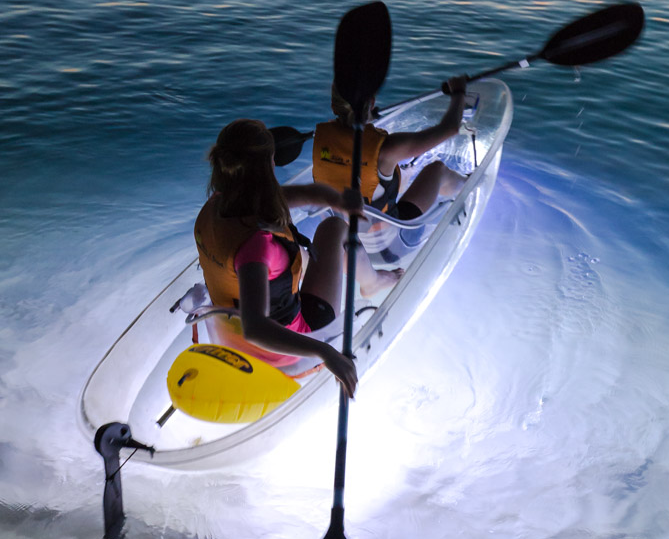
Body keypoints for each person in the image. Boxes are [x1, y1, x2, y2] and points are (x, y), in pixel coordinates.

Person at [194, 118, 361, 397]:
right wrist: (324, 351)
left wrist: (339, 199)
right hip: (284, 348)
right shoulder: (255, 245)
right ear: (268, 167)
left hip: (226, 336)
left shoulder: (217, 205)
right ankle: (375, 281)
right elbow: (255, 328)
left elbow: (305, 193)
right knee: (334, 228)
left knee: (300, 256)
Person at [313, 77, 469, 273]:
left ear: (333, 106)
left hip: (349, 251)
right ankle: (469, 184)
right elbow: (450, 129)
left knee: (391, 178)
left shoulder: (320, 143)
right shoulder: (388, 149)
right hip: (392, 248)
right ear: (371, 103)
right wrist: (458, 92)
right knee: (437, 169)